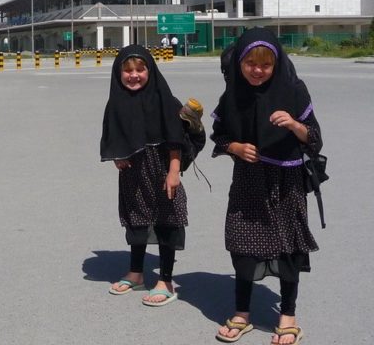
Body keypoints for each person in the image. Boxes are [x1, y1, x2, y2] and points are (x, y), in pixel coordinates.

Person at [210, 28, 321, 345]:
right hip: (248, 181)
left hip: (286, 181)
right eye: (250, 63)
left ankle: (288, 315)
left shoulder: (294, 91)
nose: (257, 71)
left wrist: (295, 124)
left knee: (287, 246)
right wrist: (236, 148)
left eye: (265, 65)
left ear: (276, 65)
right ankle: (242, 313)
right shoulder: (233, 93)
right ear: (240, 63)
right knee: (242, 245)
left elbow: (314, 140)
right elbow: (219, 136)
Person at [101, 44, 197, 307]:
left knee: (167, 220)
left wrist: (174, 172)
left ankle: (165, 280)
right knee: (137, 219)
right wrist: (118, 155)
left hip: (163, 169)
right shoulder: (117, 101)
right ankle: (136, 273)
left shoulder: (164, 98)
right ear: (118, 73)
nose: (134, 75)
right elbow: (112, 133)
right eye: (128, 71)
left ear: (150, 70)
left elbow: (175, 139)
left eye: (140, 69)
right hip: (132, 171)